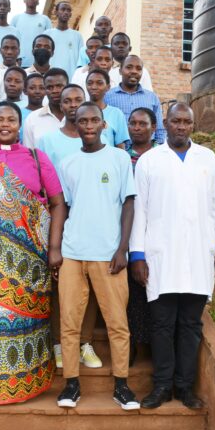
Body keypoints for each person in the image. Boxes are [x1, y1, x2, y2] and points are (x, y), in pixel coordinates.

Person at [0, 101, 67, 405]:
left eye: (11, 119)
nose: (5, 124)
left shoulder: (36, 157)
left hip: (30, 257)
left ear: (20, 124)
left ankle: (29, 381)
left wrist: (54, 247)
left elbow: (58, 203)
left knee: (27, 316)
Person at [131, 103, 215, 409]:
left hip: (199, 253)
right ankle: (162, 386)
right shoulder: (150, 160)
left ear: (193, 125)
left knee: (190, 325)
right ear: (166, 122)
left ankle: (185, 387)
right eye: (176, 121)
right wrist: (137, 255)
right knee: (161, 325)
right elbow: (140, 210)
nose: (181, 126)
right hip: (161, 255)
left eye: (187, 122)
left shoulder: (207, 158)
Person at [55, 102, 138, 411]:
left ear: (104, 124)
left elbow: (128, 203)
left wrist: (122, 248)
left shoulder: (119, 158)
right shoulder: (68, 163)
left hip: (108, 254)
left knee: (117, 322)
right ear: (75, 125)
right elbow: (64, 207)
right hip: (73, 253)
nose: (88, 126)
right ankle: (71, 384)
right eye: (82, 121)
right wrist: (56, 248)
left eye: (94, 120)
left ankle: (122, 385)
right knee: (69, 322)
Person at [38, 86, 113, 370]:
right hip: (61, 221)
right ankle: (60, 343)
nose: (72, 105)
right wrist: (55, 241)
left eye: (77, 100)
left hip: (97, 227)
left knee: (90, 290)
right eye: (67, 100)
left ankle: (85, 343)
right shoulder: (48, 140)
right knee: (64, 290)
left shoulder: (102, 141)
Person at [124, 107, 157, 365]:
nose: (137, 128)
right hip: (127, 227)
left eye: (142, 123)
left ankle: (154, 345)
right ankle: (134, 344)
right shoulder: (121, 156)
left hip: (156, 229)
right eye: (133, 123)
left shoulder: (162, 156)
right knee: (132, 292)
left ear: (153, 128)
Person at [104, 55, 165, 143]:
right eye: (129, 67)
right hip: (117, 149)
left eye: (138, 69)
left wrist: (157, 147)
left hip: (147, 150)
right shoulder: (107, 96)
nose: (134, 71)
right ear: (120, 71)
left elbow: (159, 130)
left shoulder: (152, 98)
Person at [22, 68, 68, 148]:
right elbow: (29, 152)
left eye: (59, 86)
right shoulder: (32, 119)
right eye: (49, 87)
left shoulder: (79, 117)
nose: (54, 91)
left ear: (68, 86)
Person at [85, 68, 130, 147]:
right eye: (90, 83)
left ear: (108, 87)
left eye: (99, 83)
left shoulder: (116, 114)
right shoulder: (81, 112)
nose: (94, 87)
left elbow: (120, 147)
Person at [12, 0, 52, 68]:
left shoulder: (45, 19)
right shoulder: (16, 18)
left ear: (38, 2)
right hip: (19, 63)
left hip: (39, 63)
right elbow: (11, 40)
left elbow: (50, 42)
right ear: (24, 0)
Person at [46, 2, 83, 77]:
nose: (66, 12)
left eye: (68, 10)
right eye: (63, 9)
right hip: (51, 77)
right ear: (56, 12)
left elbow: (81, 59)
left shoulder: (77, 35)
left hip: (71, 78)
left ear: (70, 14)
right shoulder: (47, 34)